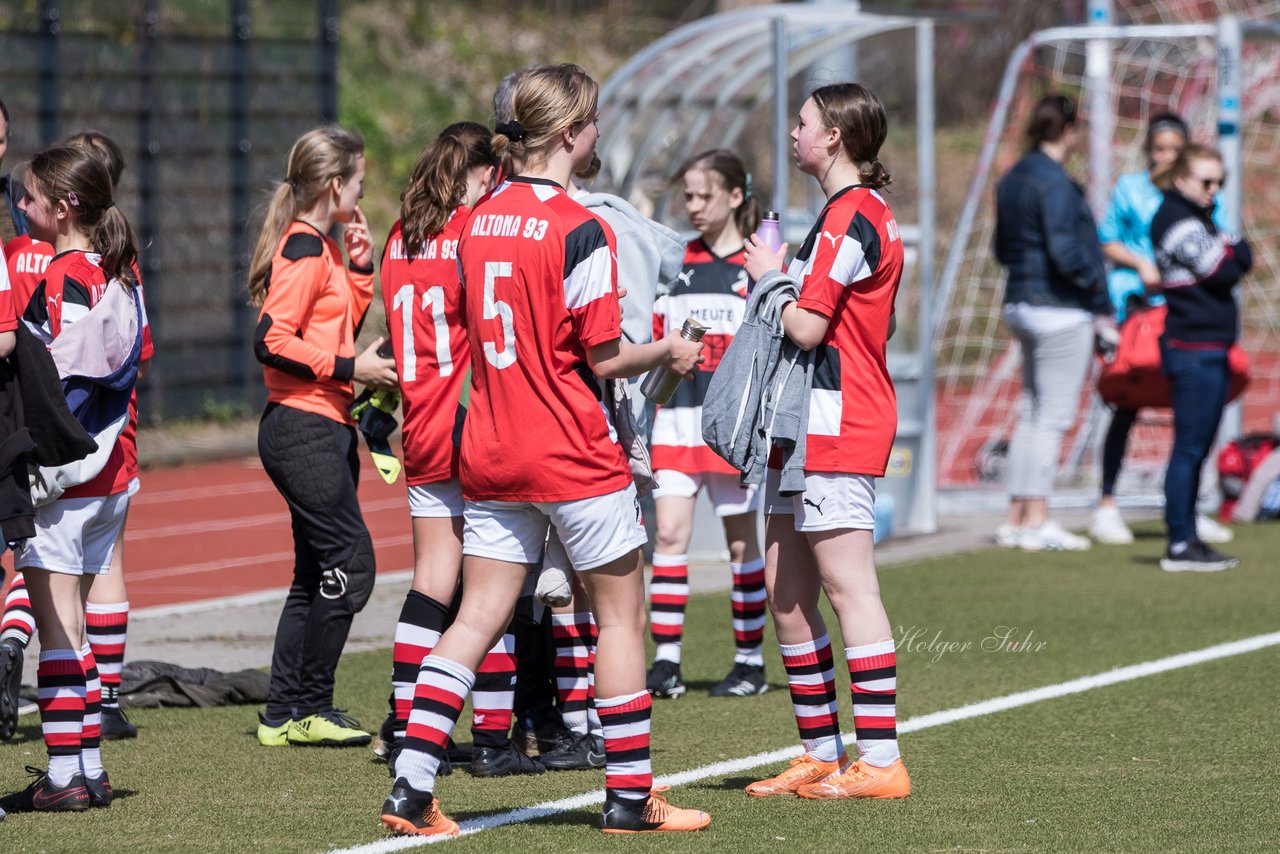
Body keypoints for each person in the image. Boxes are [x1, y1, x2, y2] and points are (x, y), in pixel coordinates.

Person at [379, 63, 710, 837]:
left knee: (474, 618)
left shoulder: (477, 217)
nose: (598, 132)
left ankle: (412, 787)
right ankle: (632, 796)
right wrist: (665, 351)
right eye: (592, 121)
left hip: (489, 450)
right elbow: (600, 358)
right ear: (569, 134)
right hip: (569, 449)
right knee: (621, 621)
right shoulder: (579, 227)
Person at [739, 82, 910, 800]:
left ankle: (880, 761)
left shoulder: (853, 215)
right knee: (785, 592)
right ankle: (821, 752)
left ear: (835, 135)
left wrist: (768, 277)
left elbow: (808, 327)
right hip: (801, 422)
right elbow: (880, 325)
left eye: (803, 122)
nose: (793, 132)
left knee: (849, 588)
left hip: (837, 420)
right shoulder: (840, 216)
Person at [379, 121, 544, 776]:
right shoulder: (468, 233)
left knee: (429, 586)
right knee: (490, 589)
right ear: (481, 173)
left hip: (419, 421)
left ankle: (409, 726)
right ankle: (495, 741)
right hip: (472, 421)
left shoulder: (401, 235)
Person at [0, 143, 144, 813]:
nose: (20, 208)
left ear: (63, 208)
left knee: (57, 630)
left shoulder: (62, 277)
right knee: (77, 625)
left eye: (28, 199)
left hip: (69, 477)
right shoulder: (118, 268)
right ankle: (88, 764)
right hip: (111, 474)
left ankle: (62, 779)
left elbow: (64, 383)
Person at [249, 126, 397, 748]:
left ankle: (281, 714)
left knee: (314, 572)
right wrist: (352, 369)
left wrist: (361, 267)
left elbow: (334, 324)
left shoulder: (323, 247)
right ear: (335, 185)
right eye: (360, 182)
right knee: (351, 563)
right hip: (303, 424)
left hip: (321, 423)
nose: (363, 193)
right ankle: (311, 707)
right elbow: (272, 340)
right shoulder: (305, 249)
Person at [646, 149, 767, 700]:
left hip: (731, 430)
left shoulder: (756, 266)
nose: (692, 206)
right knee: (668, 535)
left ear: (735, 196)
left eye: (703, 195)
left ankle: (749, 661)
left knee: (742, 543)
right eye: (687, 196)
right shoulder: (675, 266)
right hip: (675, 422)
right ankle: (666, 662)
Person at [1088, 113, 1233, 547]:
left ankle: (1185, 507)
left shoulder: (1202, 193)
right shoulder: (1132, 189)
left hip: (1185, 313)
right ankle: (1107, 503)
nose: (1165, 157)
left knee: (1193, 413)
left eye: (1174, 149)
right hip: (1137, 309)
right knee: (1125, 402)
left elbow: (1220, 244)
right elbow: (1107, 238)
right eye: (1159, 149)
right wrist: (1143, 264)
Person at [992, 94, 1109, 552]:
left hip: (1020, 303)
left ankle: (1016, 517)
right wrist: (1099, 296)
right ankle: (1037, 518)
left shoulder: (1011, 178)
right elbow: (1066, 252)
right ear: (1069, 130)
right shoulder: (1056, 182)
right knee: (1053, 417)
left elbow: (1002, 249)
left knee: (1032, 413)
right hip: (1059, 309)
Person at [1151, 143, 1250, 572]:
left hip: (1209, 348)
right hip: (1192, 350)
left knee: (1197, 447)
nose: (1214, 191)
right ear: (1181, 180)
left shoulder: (1199, 219)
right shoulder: (1175, 219)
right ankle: (1179, 542)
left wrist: (1233, 248)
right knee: (1188, 449)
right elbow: (1224, 269)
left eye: (1219, 183)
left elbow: (1242, 255)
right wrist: (1232, 248)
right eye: (1206, 182)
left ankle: (1189, 534)